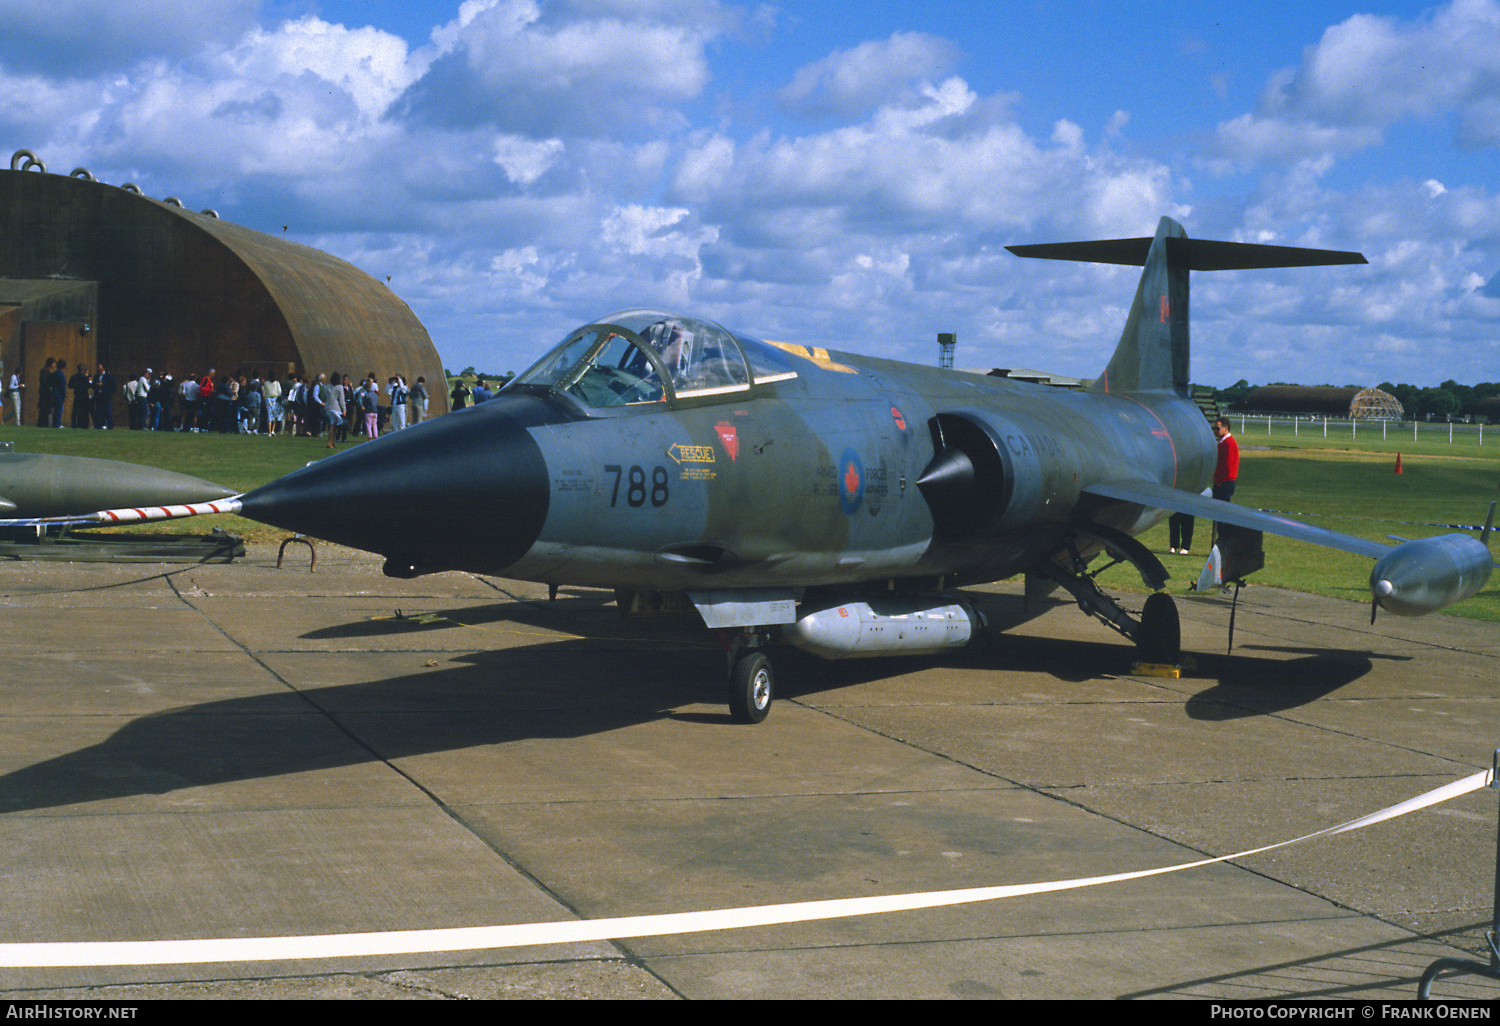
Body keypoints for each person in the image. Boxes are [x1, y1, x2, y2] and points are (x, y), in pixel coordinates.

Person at [1212, 416, 1239, 502]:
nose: (1215, 431)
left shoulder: (1229, 443)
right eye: (1214, 428)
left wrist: (1219, 482)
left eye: (1217, 428)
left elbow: (1228, 466)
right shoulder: (1223, 442)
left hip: (1225, 483)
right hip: (1221, 482)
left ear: (1226, 428)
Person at [322, 372, 345, 448]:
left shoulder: (326, 387)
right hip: (335, 408)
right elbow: (341, 400)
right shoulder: (340, 387)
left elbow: (323, 397)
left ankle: (332, 441)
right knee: (333, 425)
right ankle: (329, 442)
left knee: (332, 424)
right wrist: (344, 409)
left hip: (327, 407)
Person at [93, 364, 115, 429]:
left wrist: (103, 386)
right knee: (98, 411)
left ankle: (110, 425)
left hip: (106, 396)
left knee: (107, 411)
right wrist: (97, 385)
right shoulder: (96, 376)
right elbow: (93, 385)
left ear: (103, 368)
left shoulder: (109, 376)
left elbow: (113, 387)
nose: (98, 369)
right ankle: (99, 425)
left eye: (99, 367)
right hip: (99, 396)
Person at [36, 359, 55, 427]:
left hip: (44, 391)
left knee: (44, 408)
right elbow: (44, 382)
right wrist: (49, 387)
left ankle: (43, 423)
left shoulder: (45, 370)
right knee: (44, 408)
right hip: (45, 392)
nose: (54, 365)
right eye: (53, 363)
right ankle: (43, 423)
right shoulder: (45, 371)